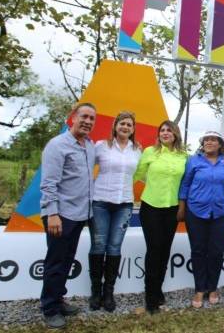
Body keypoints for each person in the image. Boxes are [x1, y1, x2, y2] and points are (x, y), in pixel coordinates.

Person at [39, 102, 96, 329]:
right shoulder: (57, 145)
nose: (87, 121)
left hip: (79, 213)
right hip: (60, 215)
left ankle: (58, 299)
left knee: (66, 259)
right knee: (55, 261)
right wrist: (52, 214)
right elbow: (49, 184)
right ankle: (50, 308)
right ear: (73, 117)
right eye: (84, 116)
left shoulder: (89, 145)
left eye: (92, 118)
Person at [178, 131, 224, 308]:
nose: (209, 142)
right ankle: (199, 289)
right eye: (206, 140)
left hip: (219, 214)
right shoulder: (193, 161)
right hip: (195, 212)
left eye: (213, 140)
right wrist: (182, 208)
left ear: (220, 144)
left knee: (216, 252)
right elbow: (185, 184)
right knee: (198, 251)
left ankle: (212, 288)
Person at [88, 111, 141, 312]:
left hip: (124, 204)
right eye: (122, 123)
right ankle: (95, 292)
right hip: (100, 201)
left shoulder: (137, 150)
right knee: (99, 245)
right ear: (115, 125)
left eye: (129, 124)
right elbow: (85, 167)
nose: (125, 127)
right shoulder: (100, 146)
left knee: (114, 247)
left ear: (133, 129)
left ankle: (108, 292)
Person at [133, 120, 187, 314]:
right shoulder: (149, 152)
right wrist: (152, 182)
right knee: (155, 250)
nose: (165, 133)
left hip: (172, 209)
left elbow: (185, 182)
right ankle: (150, 297)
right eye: (162, 130)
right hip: (151, 207)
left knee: (165, 251)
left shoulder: (183, 156)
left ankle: (158, 289)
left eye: (168, 130)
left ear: (175, 134)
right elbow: (137, 174)